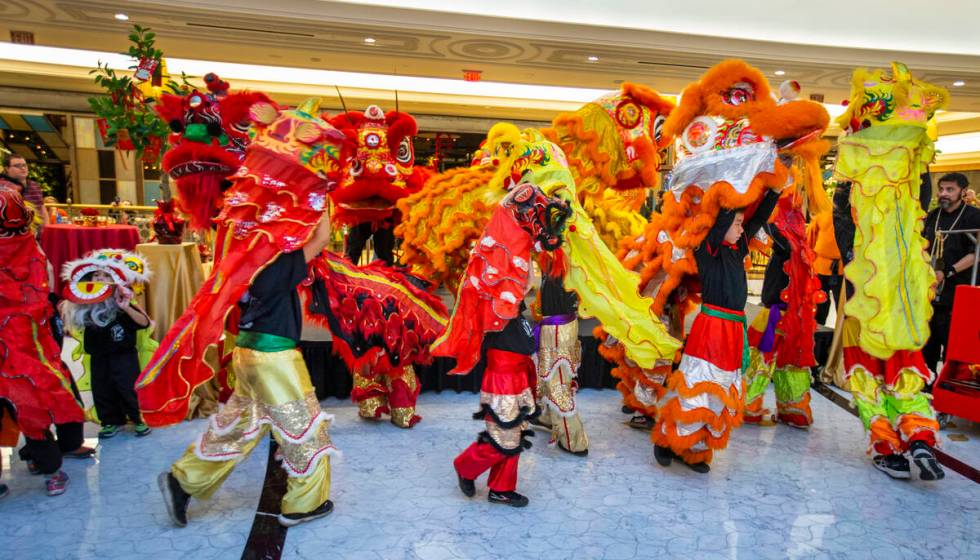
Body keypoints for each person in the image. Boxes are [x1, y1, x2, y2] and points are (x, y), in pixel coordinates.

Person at [158, 214, 339, 528]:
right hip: (274, 359)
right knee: (304, 428)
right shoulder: (275, 263)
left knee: (240, 427)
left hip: (247, 351)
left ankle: (183, 480)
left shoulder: (243, 264)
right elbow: (322, 238)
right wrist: (320, 197)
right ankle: (305, 503)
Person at [653, 187, 781, 473]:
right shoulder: (708, 249)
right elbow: (724, 220)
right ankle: (666, 440)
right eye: (735, 224)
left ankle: (695, 450)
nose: (740, 228)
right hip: (710, 330)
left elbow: (757, 219)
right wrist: (730, 191)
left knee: (718, 390)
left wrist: (773, 190)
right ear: (721, 226)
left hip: (733, 332)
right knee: (695, 387)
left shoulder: (737, 249)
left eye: (739, 224)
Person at [0, 186, 84, 496]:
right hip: (32, 338)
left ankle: (48, 458)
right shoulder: (28, 244)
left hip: (27, 337)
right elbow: (44, 282)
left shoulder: (25, 247)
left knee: (28, 395)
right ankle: (50, 459)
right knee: (45, 390)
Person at [61, 250, 154, 438]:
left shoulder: (123, 302)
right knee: (102, 389)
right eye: (96, 275)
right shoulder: (86, 307)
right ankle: (111, 420)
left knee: (128, 387)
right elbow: (74, 325)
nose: (101, 279)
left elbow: (144, 323)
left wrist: (126, 308)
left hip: (123, 355)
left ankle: (138, 418)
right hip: (98, 355)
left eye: (106, 276)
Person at [453, 300, 538, 508]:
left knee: (515, 434)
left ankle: (502, 489)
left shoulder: (512, 289)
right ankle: (466, 466)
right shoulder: (495, 288)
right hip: (504, 375)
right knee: (504, 436)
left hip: (517, 373)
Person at [922, 173, 980, 372]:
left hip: (958, 289)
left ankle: (947, 384)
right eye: (941, 189)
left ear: (963, 192)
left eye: (950, 190)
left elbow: (976, 253)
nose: (943, 194)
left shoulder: (974, 216)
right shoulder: (933, 216)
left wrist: (947, 273)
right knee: (927, 340)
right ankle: (926, 382)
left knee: (952, 341)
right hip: (930, 289)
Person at [531, 273, 589, 456]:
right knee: (549, 377)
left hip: (558, 329)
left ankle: (574, 440)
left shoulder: (561, 254)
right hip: (558, 324)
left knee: (557, 382)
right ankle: (549, 417)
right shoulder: (554, 256)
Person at [807, 209, 843, 325]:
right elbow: (809, 239)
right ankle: (818, 335)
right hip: (822, 267)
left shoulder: (823, 214)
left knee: (841, 309)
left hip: (841, 269)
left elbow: (809, 240)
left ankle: (820, 335)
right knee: (820, 306)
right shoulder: (823, 215)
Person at [0, 154, 49, 228]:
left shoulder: (34, 185)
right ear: (7, 168)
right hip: (14, 234)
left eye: (24, 165)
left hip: (37, 234)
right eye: (17, 166)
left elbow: (41, 208)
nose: (23, 168)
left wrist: (47, 228)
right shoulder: (3, 187)